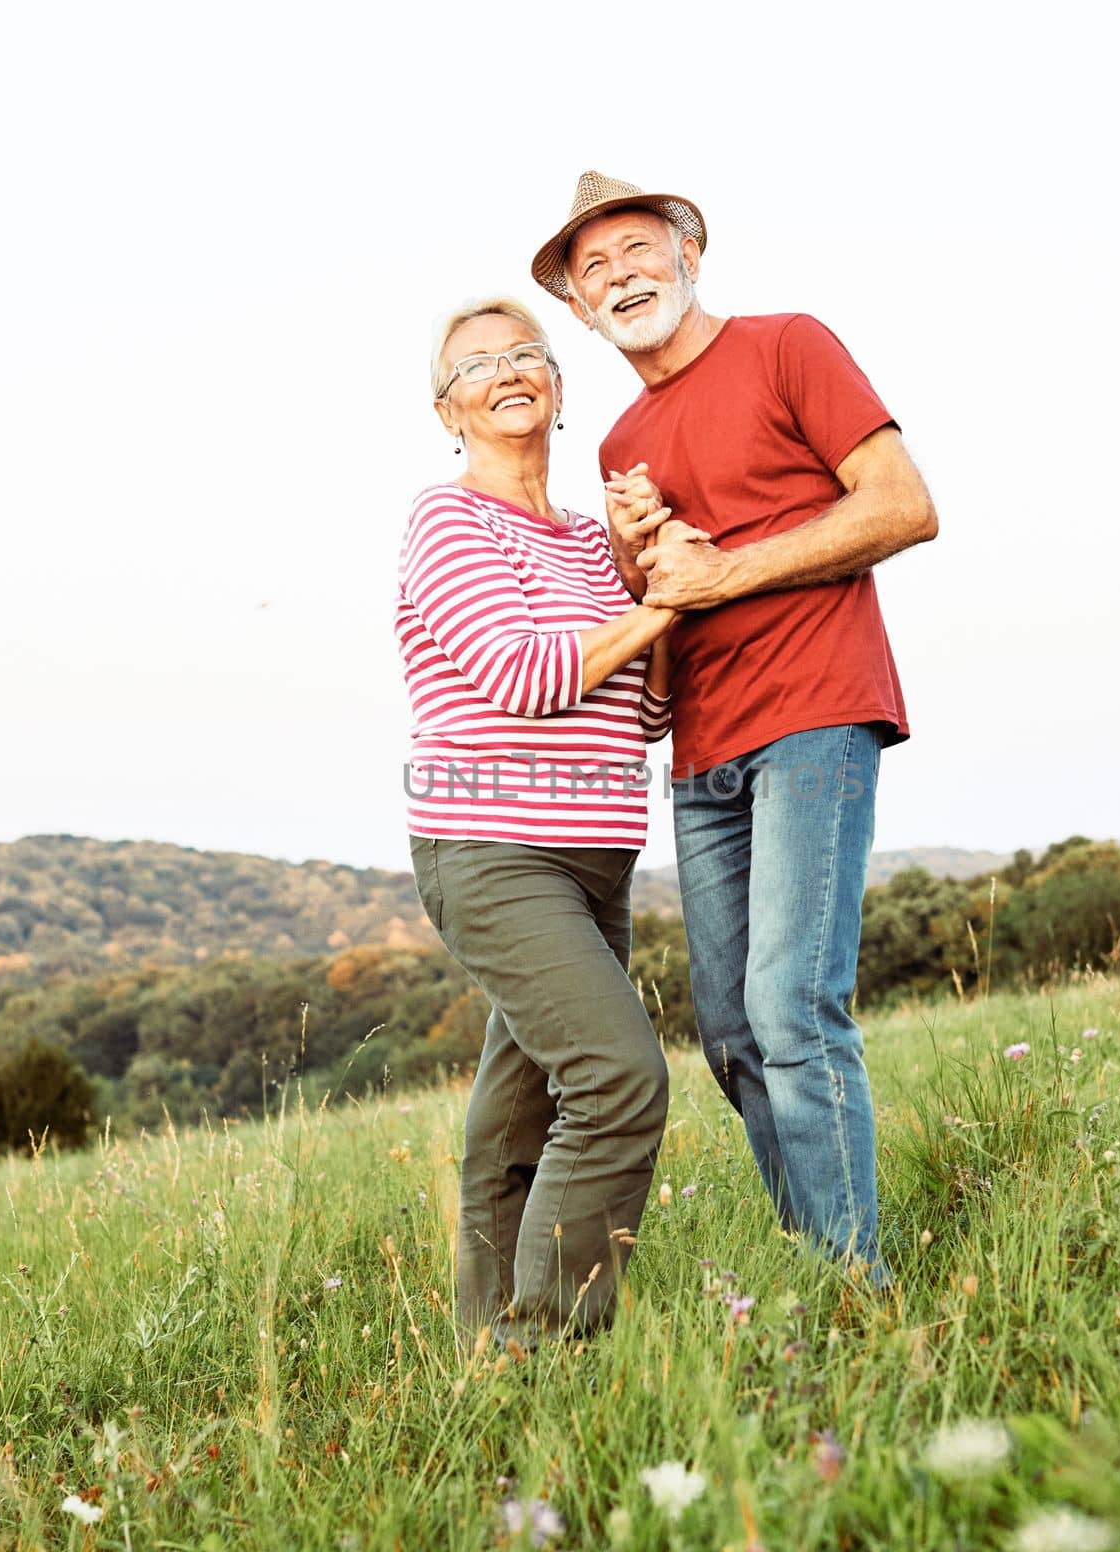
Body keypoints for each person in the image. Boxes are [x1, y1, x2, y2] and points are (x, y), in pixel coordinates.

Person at [530, 172, 940, 1286]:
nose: (620, 278)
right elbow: (665, 611)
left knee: (790, 1003)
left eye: (636, 252)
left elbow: (904, 504)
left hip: (815, 710)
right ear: (576, 306)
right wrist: (632, 552)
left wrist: (727, 571)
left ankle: (863, 1285)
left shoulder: (786, 344)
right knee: (730, 1034)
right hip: (703, 749)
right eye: (593, 269)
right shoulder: (621, 439)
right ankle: (821, 1265)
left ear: (688, 254)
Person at [396, 295, 691, 1345]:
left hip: (597, 861)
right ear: (448, 409)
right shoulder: (448, 520)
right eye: (478, 363)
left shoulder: (583, 544)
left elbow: (645, 711)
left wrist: (642, 572)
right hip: (494, 852)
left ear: (560, 391)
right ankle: (546, 1350)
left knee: (515, 1114)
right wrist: (660, 606)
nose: (509, 369)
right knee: (617, 1077)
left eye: (529, 353)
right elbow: (521, 676)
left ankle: (483, 1349)